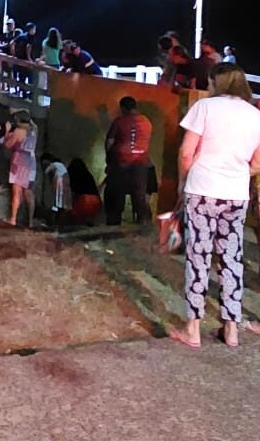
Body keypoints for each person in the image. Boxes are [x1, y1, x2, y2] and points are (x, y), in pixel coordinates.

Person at [170, 63, 260, 349]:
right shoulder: (255, 115)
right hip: (236, 195)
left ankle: (193, 330)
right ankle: (231, 329)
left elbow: (186, 153)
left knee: (199, 256)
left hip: (202, 190)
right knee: (231, 259)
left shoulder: (205, 108)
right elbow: (257, 162)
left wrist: (184, 184)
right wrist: (237, 173)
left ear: (216, 82)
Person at [103, 96, 153, 226]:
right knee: (139, 197)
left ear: (123, 108)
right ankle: (143, 227)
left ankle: (113, 229)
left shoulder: (119, 121)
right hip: (141, 164)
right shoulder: (146, 122)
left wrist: (109, 159)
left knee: (116, 197)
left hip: (121, 164)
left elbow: (109, 142)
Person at [4, 110, 38, 226]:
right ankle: (30, 221)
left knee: (17, 191)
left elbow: (8, 145)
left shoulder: (19, 131)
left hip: (19, 161)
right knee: (29, 192)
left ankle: (13, 219)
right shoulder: (34, 130)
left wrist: (7, 132)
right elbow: (31, 122)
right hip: (31, 162)